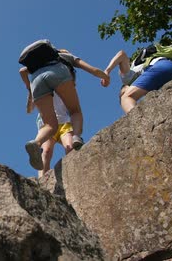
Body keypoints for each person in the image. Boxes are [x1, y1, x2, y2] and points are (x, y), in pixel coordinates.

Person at [20, 42, 110, 170]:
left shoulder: (38, 64)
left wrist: (28, 86)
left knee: (49, 125)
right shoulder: (64, 57)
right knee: (75, 111)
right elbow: (93, 70)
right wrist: (106, 76)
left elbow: (22, 70)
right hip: (58, 74)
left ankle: (36, 143)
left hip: (36, 80)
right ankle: (77, 137)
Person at [103, 48, 172, 113]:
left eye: (122, 93)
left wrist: (107, 71)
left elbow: (121, 54)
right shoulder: (146, 82)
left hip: (159, 67)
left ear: (125, 87)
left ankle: (138, 122)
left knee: (127, 97)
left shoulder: (127, 79)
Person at [35, 94, 75, 176]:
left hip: (64, 121)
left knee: (70, 147)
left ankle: (74, 175)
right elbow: (29, 109)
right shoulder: (40, 86)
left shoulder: (60, 83)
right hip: (47, 124)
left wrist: (104, 80)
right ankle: (42, 182)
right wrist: (30, 92)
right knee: (46, 152)